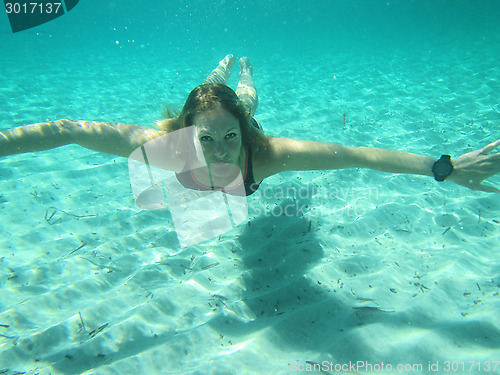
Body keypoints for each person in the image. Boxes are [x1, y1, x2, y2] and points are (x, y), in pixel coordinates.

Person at [1, 55, 500, 196]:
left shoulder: (266, 153)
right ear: (185, 136)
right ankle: (216, 73)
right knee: (206, 93)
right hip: (191, 117)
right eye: (206, 140)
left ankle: (242, 76)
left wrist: (443, 167)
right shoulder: (167, 145)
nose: (219, 152)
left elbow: (359, 156)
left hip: (241, 109)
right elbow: (66, 128)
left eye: (229, 138)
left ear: (246, 134)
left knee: (245, 97)